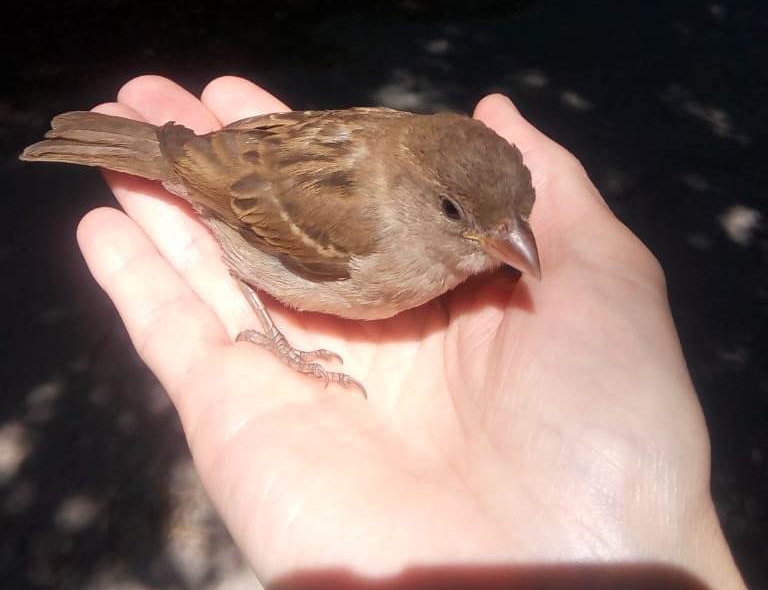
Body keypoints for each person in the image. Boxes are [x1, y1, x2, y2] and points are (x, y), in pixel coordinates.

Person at [75, 74, 746, 590]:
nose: (509, 240)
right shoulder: (363, 225)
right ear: (419, 194)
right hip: (228, 188)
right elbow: (247, 201)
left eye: (517, 219)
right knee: (249, 271)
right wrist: (284, 348)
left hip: (254, 155)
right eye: (458, 213)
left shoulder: (417, 154)